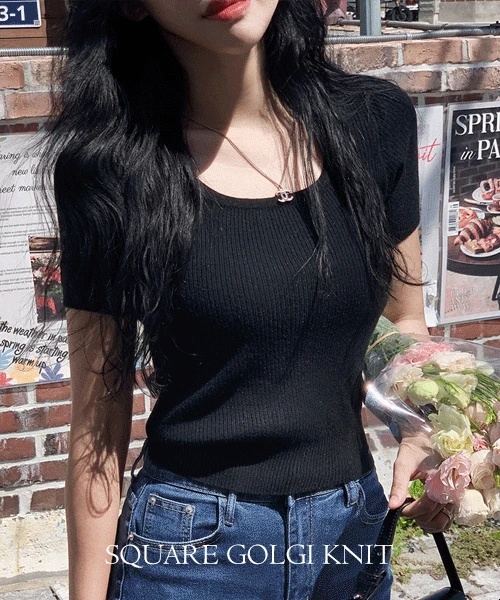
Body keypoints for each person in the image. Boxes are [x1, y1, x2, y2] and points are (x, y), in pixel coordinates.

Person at [40, 1, 455, 599]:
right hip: (188, 551)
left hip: (350, 535)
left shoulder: (373, 121)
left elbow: (403, 321)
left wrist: (421, 425)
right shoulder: (110, 168)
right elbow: (98, 424)